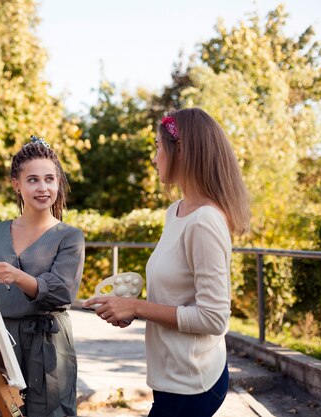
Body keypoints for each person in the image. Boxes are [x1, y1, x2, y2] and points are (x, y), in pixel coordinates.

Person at [84, 108, 250, 417]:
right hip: (170, 376)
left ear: (180, 150)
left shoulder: (205, 221)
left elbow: (214, 319)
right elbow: (176, 298)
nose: (154, 157)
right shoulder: (176, 212)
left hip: (192, 383)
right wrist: (128, 308)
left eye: (158, 146)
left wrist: (138, 307)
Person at [0, 135, 85, 417]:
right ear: (17, 185)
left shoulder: (70, 237)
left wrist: (17, 276)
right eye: (33, 179)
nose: (43, 187)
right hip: (1, 342)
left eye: (49, 179)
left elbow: (62, 292)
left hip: (48, 346)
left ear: (58, 183)